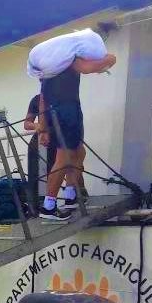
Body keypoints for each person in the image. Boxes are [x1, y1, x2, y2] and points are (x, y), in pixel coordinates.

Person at [37, 53, 116, 220]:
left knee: (79, 153)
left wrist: (43, 127)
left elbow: (43, 99)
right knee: (64, 158)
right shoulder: (68, 59)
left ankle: (70, 195)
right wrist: (110, 59)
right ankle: (48, 206)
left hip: (57, 112)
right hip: (67, 112)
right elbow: (88, 68)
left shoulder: (49, 69)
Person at [24, 94, 57, 214]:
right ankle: (37, 209)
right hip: (41, 142)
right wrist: (38, 126)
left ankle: (50, 206)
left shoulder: (63, 97)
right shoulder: (37, 99)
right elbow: (27, 123)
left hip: (59, 140)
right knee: (37, 176)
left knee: (56, 172)